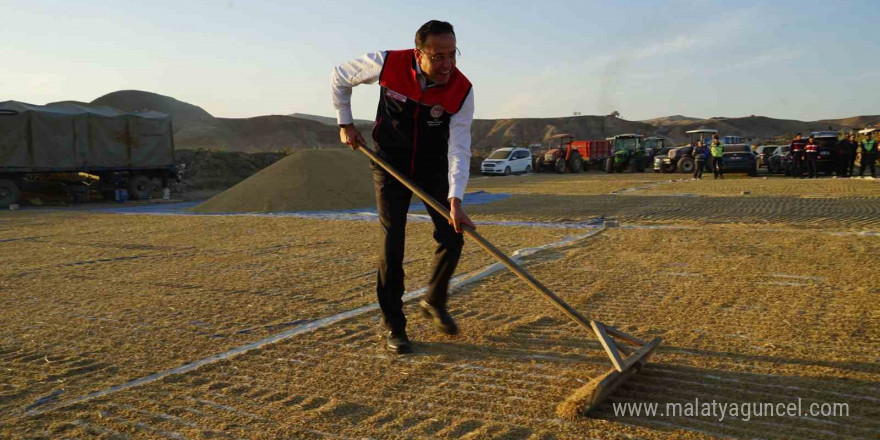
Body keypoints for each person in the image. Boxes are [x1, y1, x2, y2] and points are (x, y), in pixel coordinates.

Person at [330, 20, 476, 354]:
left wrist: (455, 198)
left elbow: (459, 147)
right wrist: (345, 122)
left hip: (432, 166)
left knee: (453, 235)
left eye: (452, 54)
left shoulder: (461, 91)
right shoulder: (387, 63)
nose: (447, 64)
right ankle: (394, 326)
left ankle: (434, 301)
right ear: (418, 53)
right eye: (438, 56)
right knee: (392, 241)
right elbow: (339, 75)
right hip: (389, 163)